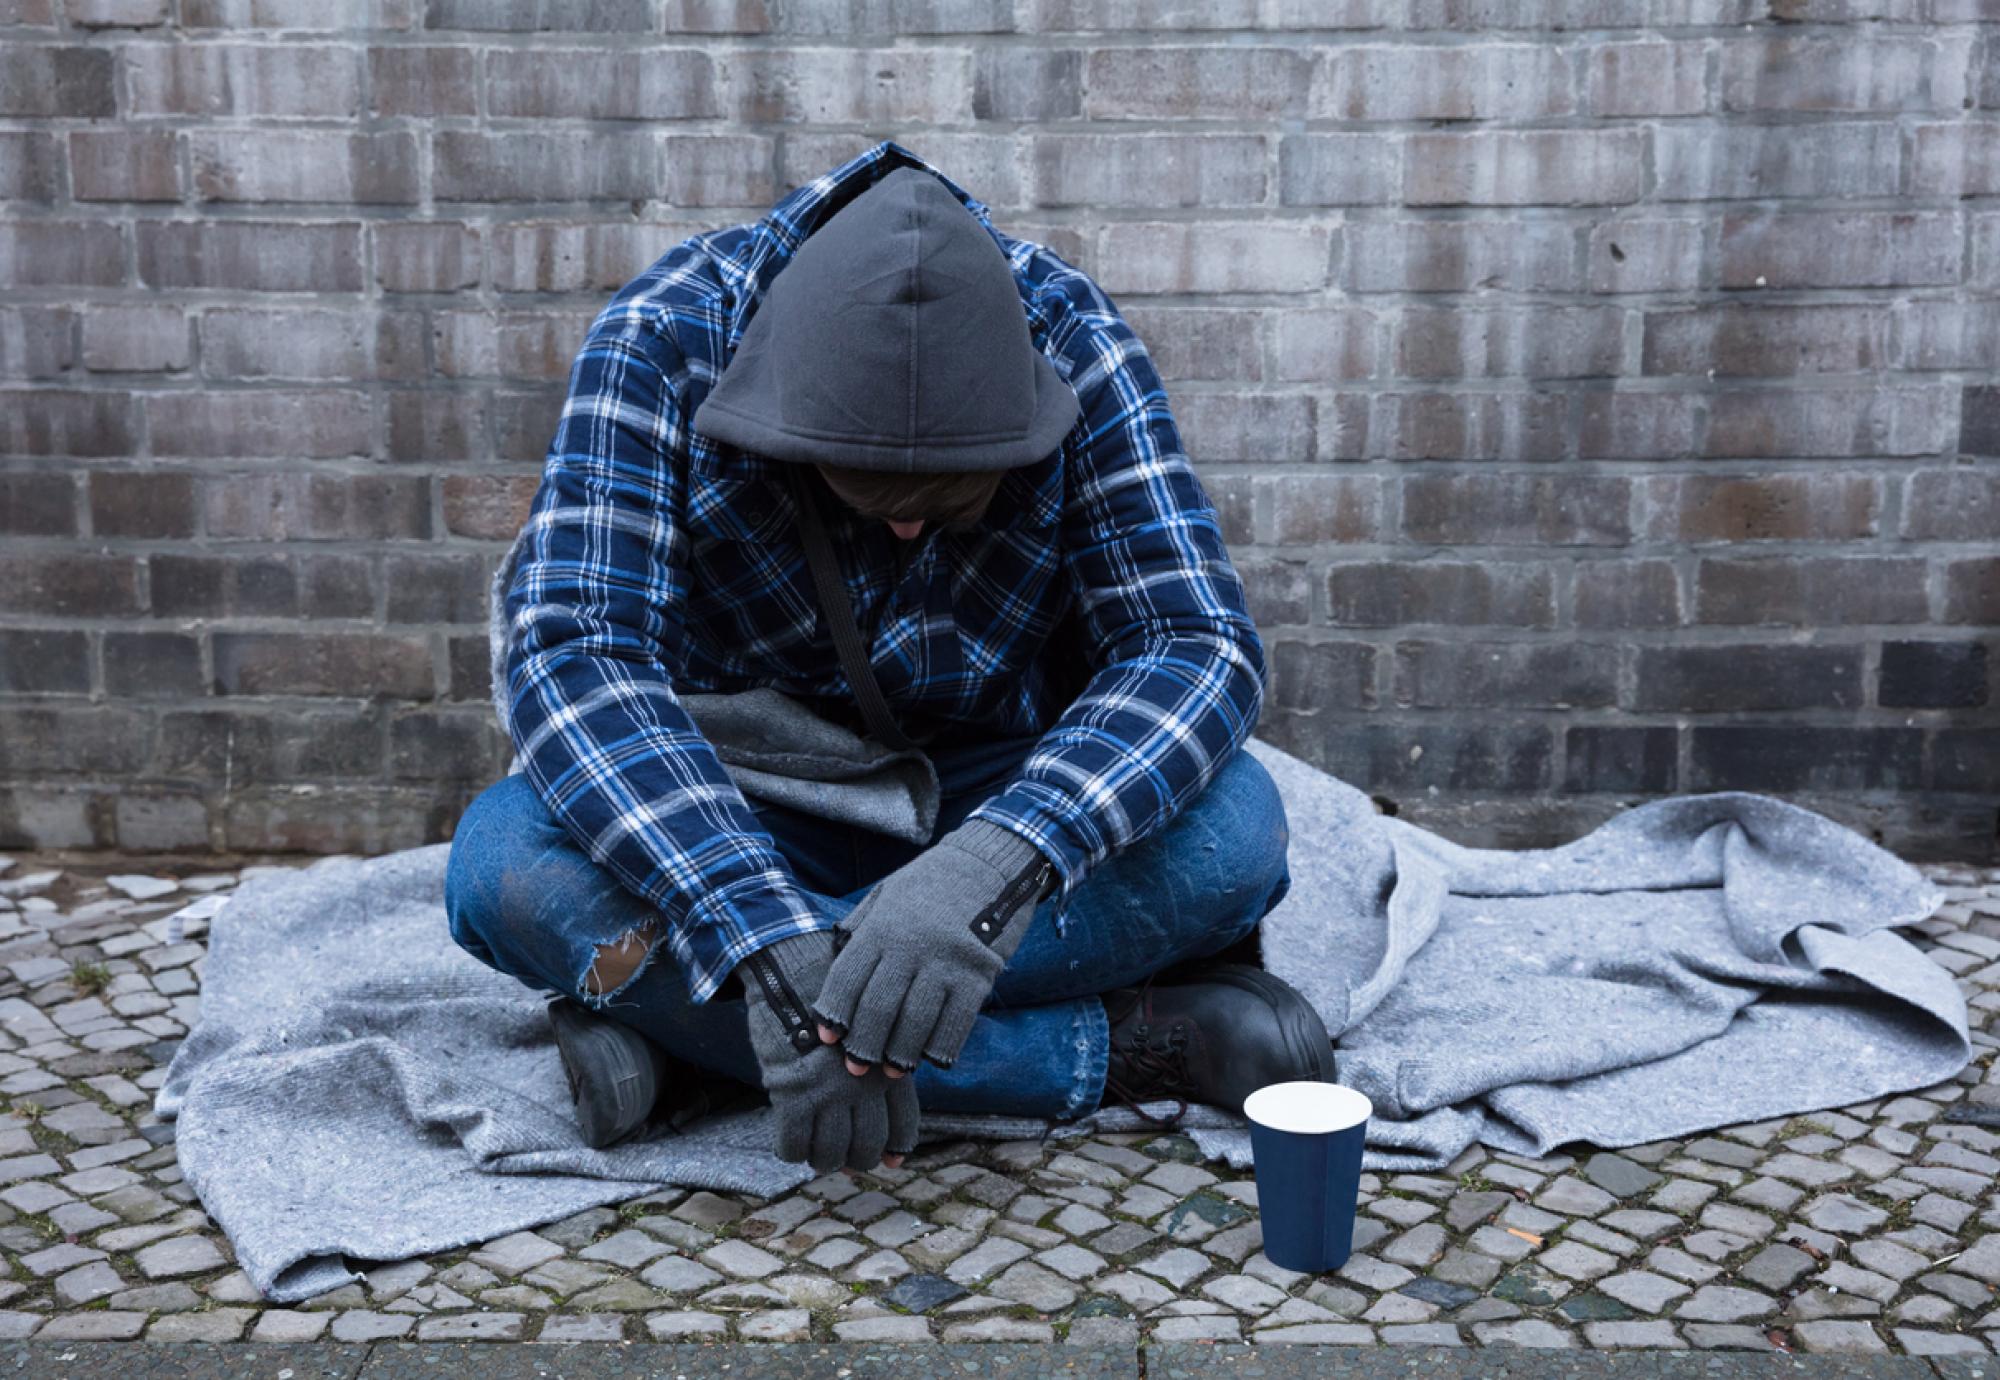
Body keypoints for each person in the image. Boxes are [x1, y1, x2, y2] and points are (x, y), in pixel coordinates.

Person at [444, 140, 1332, 1175]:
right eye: (871, 495)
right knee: (498, 868)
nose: (908, 535)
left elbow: (1193, 643)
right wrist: (759, 936)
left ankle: (698, 1040)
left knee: (1241, 833)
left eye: (950, 496)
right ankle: (1112, 1045)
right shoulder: (660, 338)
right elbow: (578, 655)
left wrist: (995, 870)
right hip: (741, 797)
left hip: (999, 778)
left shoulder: (1072, 336)